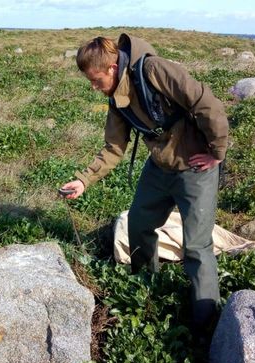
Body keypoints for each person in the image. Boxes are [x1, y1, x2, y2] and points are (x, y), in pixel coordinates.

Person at [61, 34, 229, 339]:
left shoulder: (154, 71)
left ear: (112, 67)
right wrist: (84, 179)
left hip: (196, 168)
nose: (93, 87)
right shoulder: (116, 97)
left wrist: (217, 152)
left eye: (96, 79)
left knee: (196, 246)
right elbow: (114, 147)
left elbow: (207, 103)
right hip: (159, 167)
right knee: (138, 226)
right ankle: (147, 289)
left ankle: (206, 323)